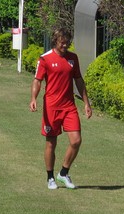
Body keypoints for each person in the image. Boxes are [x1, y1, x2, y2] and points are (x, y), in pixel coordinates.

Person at [29, 28, 92, 190]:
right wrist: (33, 98)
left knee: (76, 140)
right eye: (62, 42)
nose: (65, 45)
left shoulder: (73, 58)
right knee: (51, 143)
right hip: (51, 107)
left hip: (69, 106)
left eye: (67, 42)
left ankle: (63, 173)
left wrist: (86, 103)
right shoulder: (45, 59)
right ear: (55, 41)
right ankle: (50, 177)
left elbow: (78, 80)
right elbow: (37, 80)